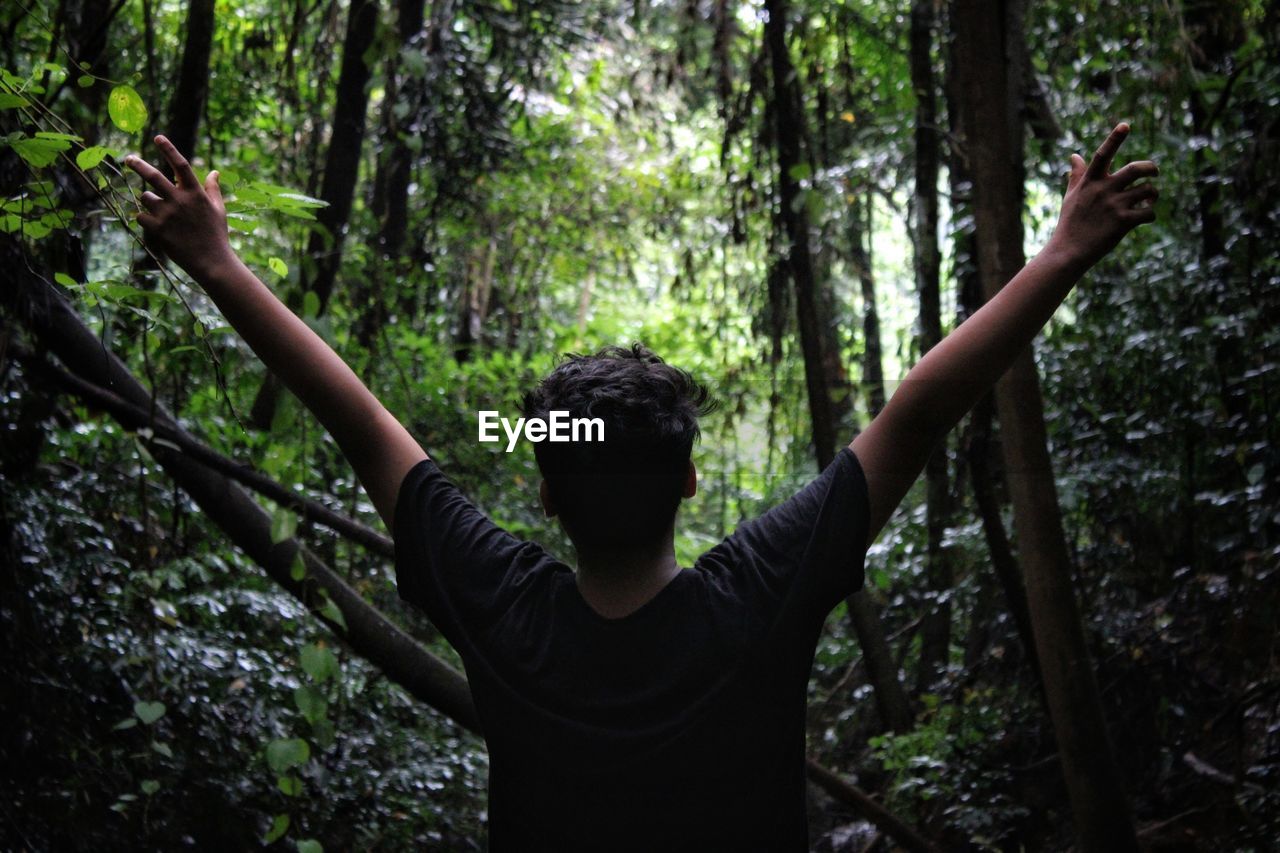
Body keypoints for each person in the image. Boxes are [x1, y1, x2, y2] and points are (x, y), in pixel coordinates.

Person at [124, 123, 1157, 850]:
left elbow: (357, 420)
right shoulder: (755, 597)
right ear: (690, 480)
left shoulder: (500, 603)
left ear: (546, 494)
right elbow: (917, 415)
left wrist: (217, 261)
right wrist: (1061, 251)